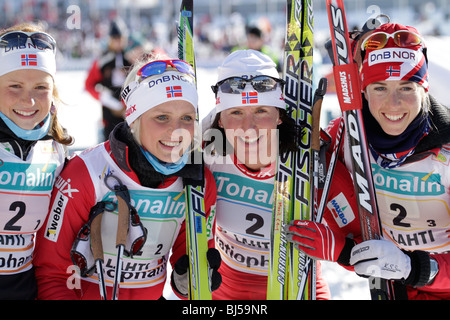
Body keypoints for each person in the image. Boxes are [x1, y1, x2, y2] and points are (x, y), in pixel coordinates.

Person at [286, 23, 450, 300]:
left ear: (424, 88)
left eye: (407, 87)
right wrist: (345, 252)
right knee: (321, 165)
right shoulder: (345, 137)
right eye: (379, 88)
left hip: (441, 281)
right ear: (362, 91)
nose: (393, 103)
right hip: (393, 290)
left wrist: (413, 268)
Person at [34, 57, 220, 300]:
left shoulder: (198, 180)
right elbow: (51, 273)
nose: (177, 131)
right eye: (162, 117)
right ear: (134, 119)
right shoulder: (86, 173)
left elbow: (190, 253)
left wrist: (187, 281)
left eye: (187, 118)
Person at [204, 49, 330, 299]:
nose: (248, 127)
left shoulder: (305, 158)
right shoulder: (206, 152)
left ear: (280, 116)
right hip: (223, 293)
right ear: (220, 120)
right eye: (236, 112)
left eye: (261, 111)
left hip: (298, 288)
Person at [0, 22, 73, 300]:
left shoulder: (57, 151)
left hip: (26, 290)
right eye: (14, 85)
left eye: (40, 87)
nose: (28, 99)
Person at [85, 18, 132, 142]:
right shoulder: (102, 61)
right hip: (109, 112)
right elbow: (89, 85)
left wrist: (124, 105)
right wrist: (104, 98)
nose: (118, 42)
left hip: (130, 110)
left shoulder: (131, 58)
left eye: (120, 38)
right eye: (114, 39)